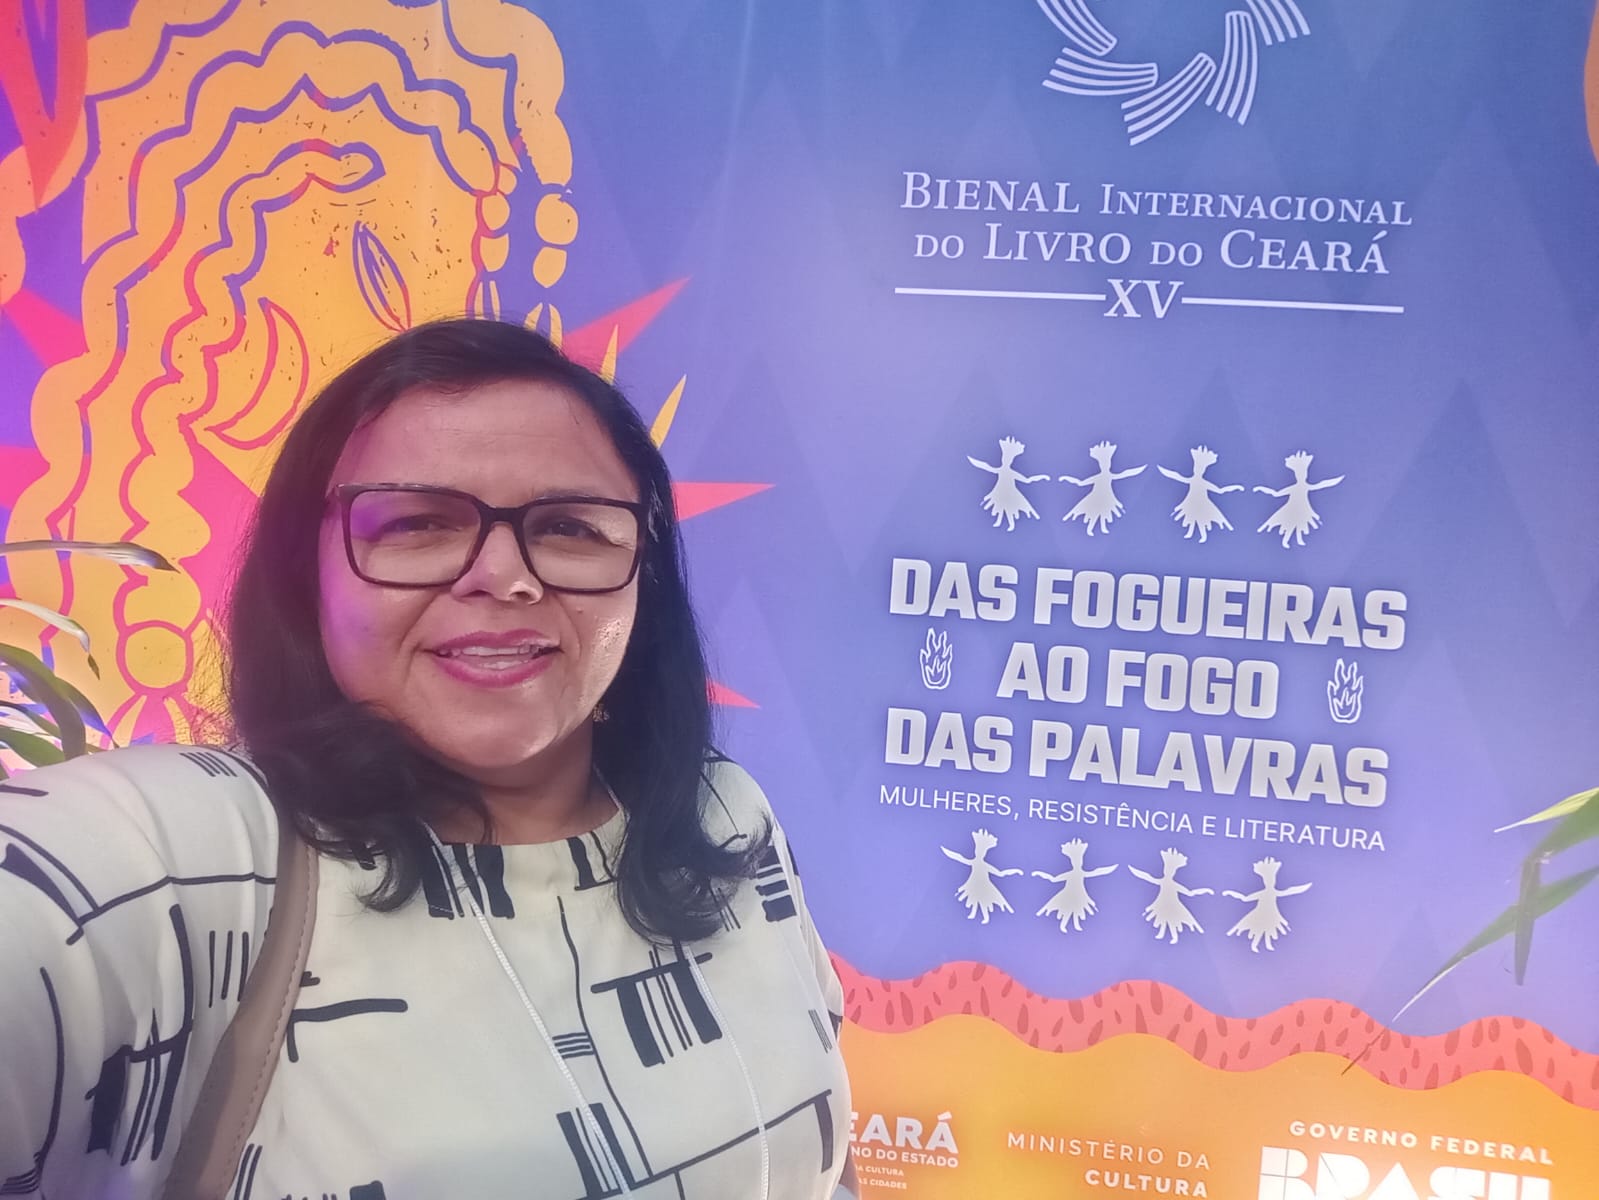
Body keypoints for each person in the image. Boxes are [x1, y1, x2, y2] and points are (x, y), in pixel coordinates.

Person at [0, 318, 854, 1199]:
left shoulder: (724, 812)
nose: (503, 576)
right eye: (417, 522)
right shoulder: (181, 861)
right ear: (306, 573)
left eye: (568, 526)